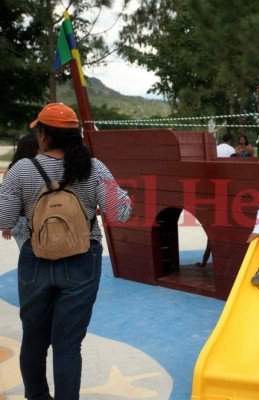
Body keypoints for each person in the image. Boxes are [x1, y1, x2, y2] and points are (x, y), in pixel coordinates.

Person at [0, 103, 132, 399]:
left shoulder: (22, 169)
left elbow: (4, 220)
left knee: (33, 340)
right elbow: (119, 213)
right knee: (68, 343)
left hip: (35, 259)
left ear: (43, 136)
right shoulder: (95, 168)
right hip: (82, 260)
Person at [1, 134, 39, 249]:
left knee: (26, 260)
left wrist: (6, 226)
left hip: (18, 221)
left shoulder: (11, 169)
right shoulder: (40, 169)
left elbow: (7, 198)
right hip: (36, 219)